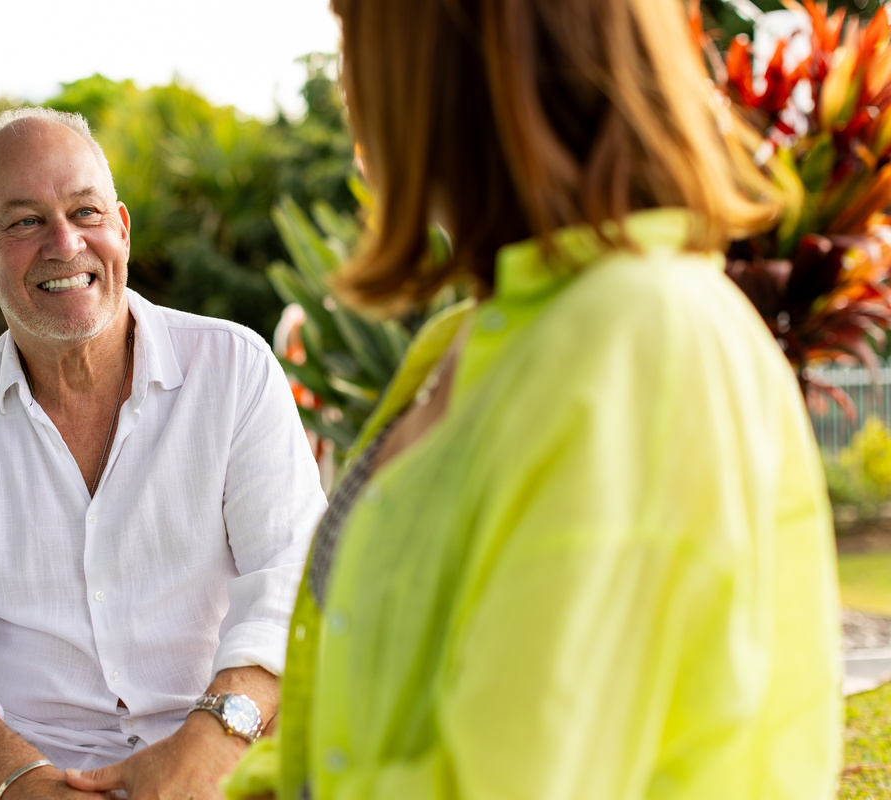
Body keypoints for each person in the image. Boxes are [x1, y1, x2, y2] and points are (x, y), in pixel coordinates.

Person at [221, 0, 841, 798]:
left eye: (355, 33)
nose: (347, 84)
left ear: (447, 54)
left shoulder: (628, 340)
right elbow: (377, 716)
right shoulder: (467, 340)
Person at [0, 106, 327, 800]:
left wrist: (209, 745)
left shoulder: (235, 369)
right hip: (24, 763)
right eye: (24, 222)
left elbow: (292, 580)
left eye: (85, 211)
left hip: (225, 734)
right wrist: (27, 782)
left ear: (122, 229)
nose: (65, 243)